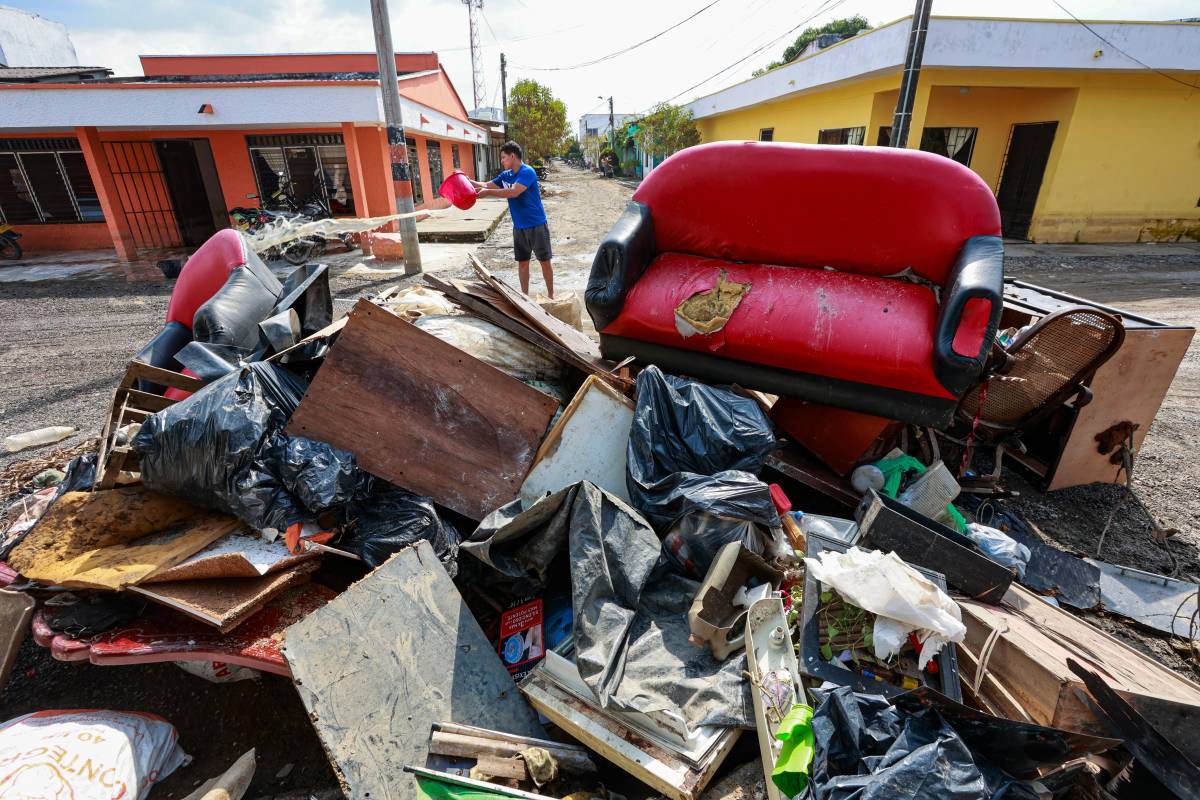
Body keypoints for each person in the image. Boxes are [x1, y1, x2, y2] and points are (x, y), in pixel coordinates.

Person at [471, 141, 554, 298]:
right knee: (522, 263)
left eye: (503, 157)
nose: (501, 161)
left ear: (513, 156)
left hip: (536, 224)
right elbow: (485, 184)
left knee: (544, 261)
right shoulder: (506, 175)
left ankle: (551, 295)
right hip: (519, 227)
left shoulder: (527, 172)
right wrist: (467, 181)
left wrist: (487, 192)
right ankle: (525, 297)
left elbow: (514, 192)